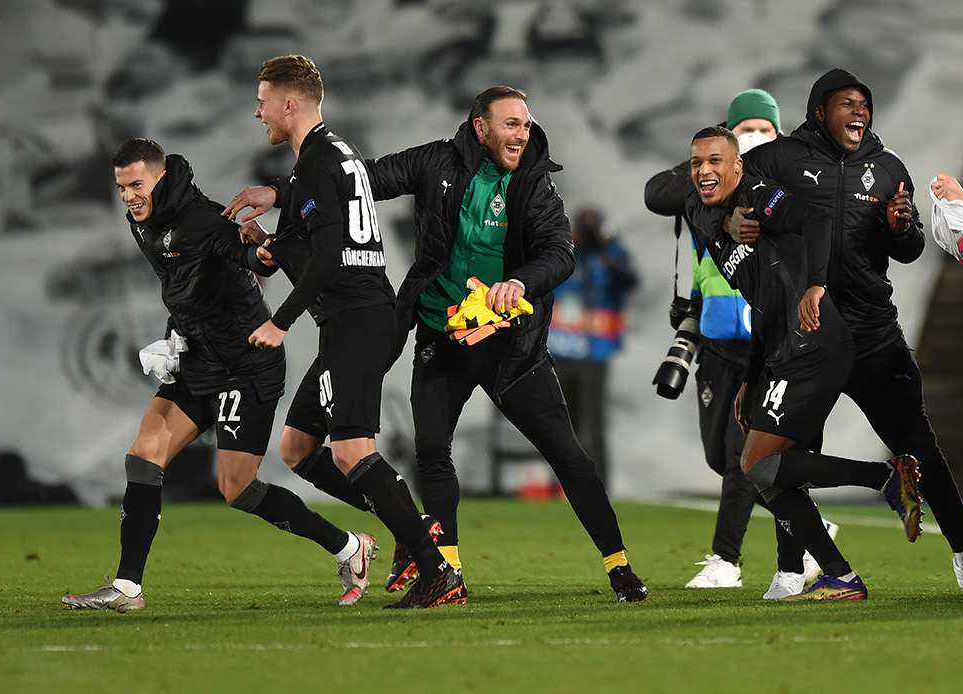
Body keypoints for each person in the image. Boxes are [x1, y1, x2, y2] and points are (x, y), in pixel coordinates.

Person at [225, 85, 647, 603]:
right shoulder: (437, 161)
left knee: (567, 454)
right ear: (481, 127)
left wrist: (522, 281)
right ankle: (445, 572)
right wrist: (282, 193)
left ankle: (619, 565)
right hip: (441, 336)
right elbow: (364, 178)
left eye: (526, 124)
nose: (523, 133)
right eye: (510, 123)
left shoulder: (536, 182)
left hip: (511, 347)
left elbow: (560, 253)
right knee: (431, 452)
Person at [62, 138, 377, 612]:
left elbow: (248, 258)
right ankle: (128, 587)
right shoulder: (142, 222)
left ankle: (349, 547)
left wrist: (262, 252)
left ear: (160, 177)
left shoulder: (204, 220)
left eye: (136, 184)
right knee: (143, 455)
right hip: (199, 360)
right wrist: (174, 336)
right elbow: (181, 286)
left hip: (246, 364)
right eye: (122, 187)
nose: (128, 195)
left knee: (238, 489)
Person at [725, 68, 963, 590]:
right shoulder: (776, 159)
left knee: (918, 444)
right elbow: (728, 194)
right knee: (787, 456)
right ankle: (790, 569)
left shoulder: (888, 166)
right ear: (819, 110)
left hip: (873, 335)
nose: (859, 112)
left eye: (864, 104)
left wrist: (903, 226)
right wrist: (732, 222)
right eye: (846, 103)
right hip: (806, 335)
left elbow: (911, 249)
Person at [225, 54, 462, 610]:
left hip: (357, 321)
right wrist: (269, 233)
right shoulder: (334, 154)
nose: (258, 112)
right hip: (353, 321)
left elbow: (330, 255)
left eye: (263, 102)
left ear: (289, 104)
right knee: (298, 447)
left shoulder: (314, 165)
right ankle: (412, 529)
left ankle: (436, 570)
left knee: (353, 451)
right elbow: (308, 242)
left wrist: (279, 321)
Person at [684, 126, 924, 601]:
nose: (704, 171)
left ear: (737, 166)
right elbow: (763, 303)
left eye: (715, 161)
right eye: (696, 163)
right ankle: (838, 573)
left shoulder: (757, 196)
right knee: (769, 471)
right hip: (782, 350)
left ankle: (883, 480)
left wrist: (816, 285)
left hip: (814, 341)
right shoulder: (714, 221)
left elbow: (816, 220)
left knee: (757, 463)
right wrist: (752, 379)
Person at [645, 89, 830, 599]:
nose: (754, 139)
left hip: (770, 340)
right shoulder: (707, 186)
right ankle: (813, 531)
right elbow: (656, 192)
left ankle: (727, 559)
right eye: (742, 130)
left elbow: (810, 221)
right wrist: (717, 190)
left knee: (740, 458)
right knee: (719, 455)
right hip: (718, 337)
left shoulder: (780, 181)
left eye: (762, 130)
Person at [548, 206, 638, 485]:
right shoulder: (563, 252)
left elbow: (630, 280)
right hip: (562, 350)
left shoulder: (611, 255)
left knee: (595, 425)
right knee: (562, 425)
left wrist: (605, 249)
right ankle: (561, 488)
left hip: (594, 353)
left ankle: (601, 487)